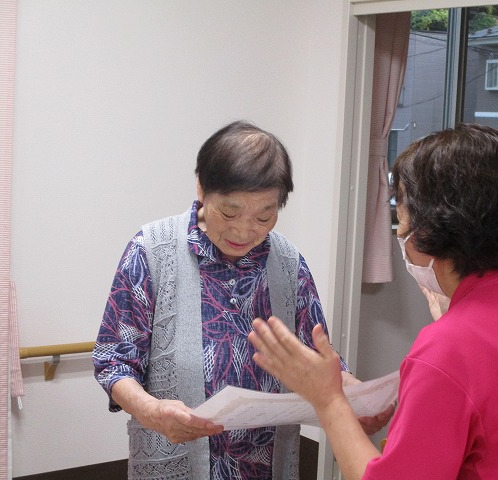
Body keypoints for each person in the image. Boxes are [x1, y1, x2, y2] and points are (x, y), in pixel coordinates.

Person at [248, 123, 498, 479]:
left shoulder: (450, 348)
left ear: (433, 231)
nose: (402, 235)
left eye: (403, 222)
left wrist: (329, 401)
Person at [93, 120, 393, 480]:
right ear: (202, 187)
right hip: (176, 463)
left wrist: (355, 396)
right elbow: (114, 362)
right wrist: (151, 411)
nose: (244, 230)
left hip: (267, 466)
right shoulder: (151, 251)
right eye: (229, 212)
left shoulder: (288, 263)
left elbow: (316, 356)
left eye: (264, 216)